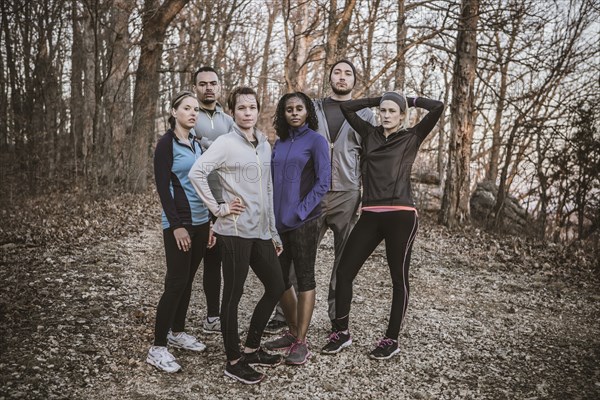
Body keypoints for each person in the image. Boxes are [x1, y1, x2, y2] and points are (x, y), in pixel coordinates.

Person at [320, 92, 444, 359]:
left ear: (401, 116)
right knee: (344, 272)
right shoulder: (369, 133)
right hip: (370, 214)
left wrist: (408, 100)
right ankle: (341, 332)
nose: (386, 115)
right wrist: (377, 99)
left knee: (398, 279)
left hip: (401, 215)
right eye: (383, 111)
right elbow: (348, 108)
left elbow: (438, 107)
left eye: (392, 111)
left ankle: (391, 339)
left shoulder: (412, 136)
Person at [266, 60, 375, 335]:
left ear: (354, 81)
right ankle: (284, 314)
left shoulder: (366, 114)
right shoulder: (312, 107)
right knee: (296, 252)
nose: (342, 77)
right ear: (330, 78)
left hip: (347, 193)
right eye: (337, 72)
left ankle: (337, 318)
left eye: (348, 73)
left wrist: (367, 196)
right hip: (310, 193)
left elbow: (370, 157)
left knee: (344, 259)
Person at [188, 86, 285, 384]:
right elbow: (197, 172)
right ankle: (233, 360)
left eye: (252, 107)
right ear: (232, 112)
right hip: (233, 230)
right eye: (241, 108)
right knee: (234, 294)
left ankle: (252, 347)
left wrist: (273, 231)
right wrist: (218, 208)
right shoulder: (225, 143)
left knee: (276, 286)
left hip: (258, 230)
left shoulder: (263, 144)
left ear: (258, 110)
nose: (247, 112)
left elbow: (266, 188)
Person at [146, 91, 216, 373]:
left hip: (201, 223)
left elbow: (203, 185)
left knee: (187, 280)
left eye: (196, 109)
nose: (192, 113)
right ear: (174, 112)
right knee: (175, 282)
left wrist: (211, 221)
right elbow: (163, 188)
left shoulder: (197, 144)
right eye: (186, 108)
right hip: (180, 225)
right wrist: (176, 226)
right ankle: (158, 347)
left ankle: (177, 331)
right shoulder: (166, 145)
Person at [263, 92, 330, 364]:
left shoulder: (316, 141)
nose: (293, 112)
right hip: (278, 224)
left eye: (299, 108)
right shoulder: (278, 143)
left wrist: (301, 210)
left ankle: (302, 341)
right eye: (289, 109)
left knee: (304, 277)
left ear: (307, 112)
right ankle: (291, 332)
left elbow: (323, 182)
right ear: (283, 113)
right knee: (279, 279)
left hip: (304, 221)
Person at [191, 66, 234, 334]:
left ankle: (217, 315)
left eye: (213, 83)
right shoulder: (188, 114)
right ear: (195, 87)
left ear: (219, 87)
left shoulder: (229, 121)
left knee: (220, 259)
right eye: (203, 83)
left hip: (224, 199)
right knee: (199, 261)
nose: (208, 87)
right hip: (196, 200)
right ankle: (193, 320)